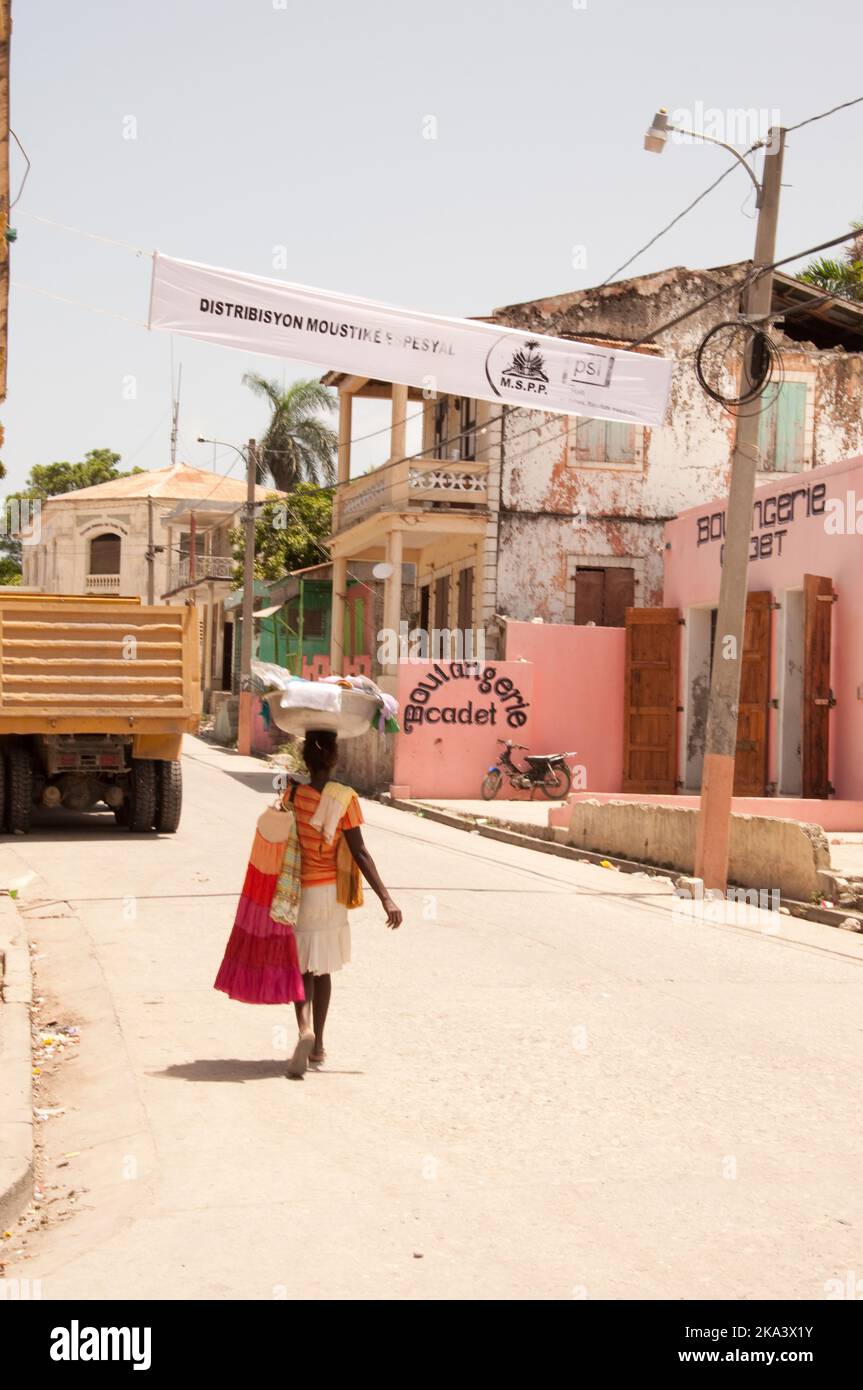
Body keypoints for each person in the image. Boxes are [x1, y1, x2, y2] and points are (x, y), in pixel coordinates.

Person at [286, 728, 402, 1077]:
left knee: (302, 967)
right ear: (334, 757)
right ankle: (319, 1044)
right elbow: (360, 852)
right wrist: (386, 897)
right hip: (331, 894)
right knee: (322, 971)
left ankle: (303, 1027)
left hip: (299, 892)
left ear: (305, 758)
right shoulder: (346, 798)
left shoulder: (293, 794)